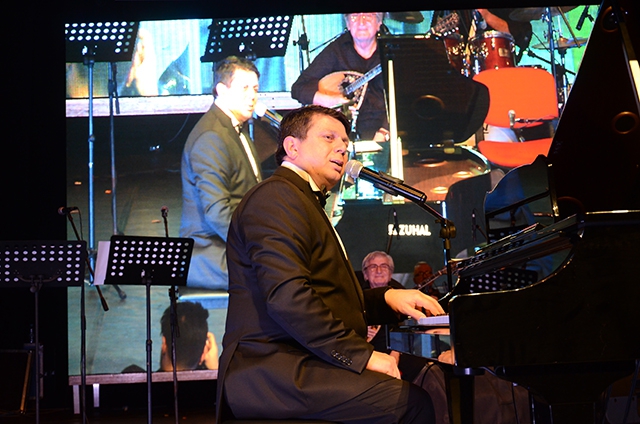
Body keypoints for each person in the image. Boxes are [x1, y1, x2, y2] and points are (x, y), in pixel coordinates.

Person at [216, 105, 445, 423]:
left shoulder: (302, 199)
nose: (342, 147)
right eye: (328, 137)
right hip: (273, 368)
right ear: (292, 147)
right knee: (411, 403)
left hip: (300, 358)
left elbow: (326, 298)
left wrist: (387, 297)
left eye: (345, 141)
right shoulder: (276, 197)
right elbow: (288, 298)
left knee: (421, 387)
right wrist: (362, 356)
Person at [179, 56, 262, 290]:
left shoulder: (232, 128)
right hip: (210, 250)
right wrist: (258, 247)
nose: (252, 96)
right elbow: (217, 213)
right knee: (281, 276)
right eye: (244, 88)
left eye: (255, 89)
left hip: (231, 241)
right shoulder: (212, 137)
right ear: (222, 90)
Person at [290, 12, 389, 141]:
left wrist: (384, 132)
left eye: (368, 16)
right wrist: (331, 101)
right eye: (354, 16)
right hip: (342, 135)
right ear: (348, 24)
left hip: (385, 133)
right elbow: (298, 88)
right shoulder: (337, 50)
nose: (361, 22)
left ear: (379, 22)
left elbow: (405, 97)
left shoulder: (390, 48)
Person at [361, 251, 428, 383]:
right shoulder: (357, 298)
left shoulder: (401, 294)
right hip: (368, 353)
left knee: (424, 367)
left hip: (398, 349)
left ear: (390, 274)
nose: (379, 270)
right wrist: (361, 329)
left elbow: (405, 329)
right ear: (365, 274)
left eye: (384, 266)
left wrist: (395, 353)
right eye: (373, 266)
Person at [122, 301, 218, 372]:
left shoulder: (130, 379)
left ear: (164, 345)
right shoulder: (212, 389)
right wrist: (215, 372)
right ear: (203, 355)